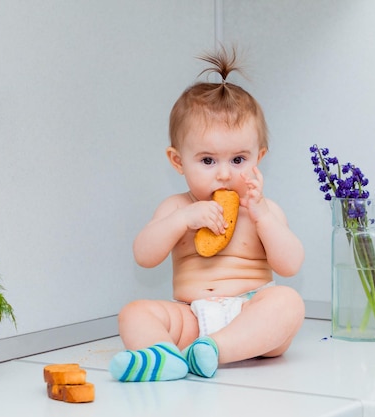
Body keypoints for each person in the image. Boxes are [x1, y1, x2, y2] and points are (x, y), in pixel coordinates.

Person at [109, 47, 305, 382]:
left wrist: (263, 218)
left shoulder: (262, 208)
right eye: (208, 161)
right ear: (177, 161)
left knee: (287, 302)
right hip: (192, 318)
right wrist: (183, 221)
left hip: (250, 312)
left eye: (238, 160)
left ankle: (216, 350)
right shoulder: (176, 208)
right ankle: (164, 356)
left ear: (259, 157)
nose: (225, 174)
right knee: (134, 313)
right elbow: (144, 256)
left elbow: (290, 264)